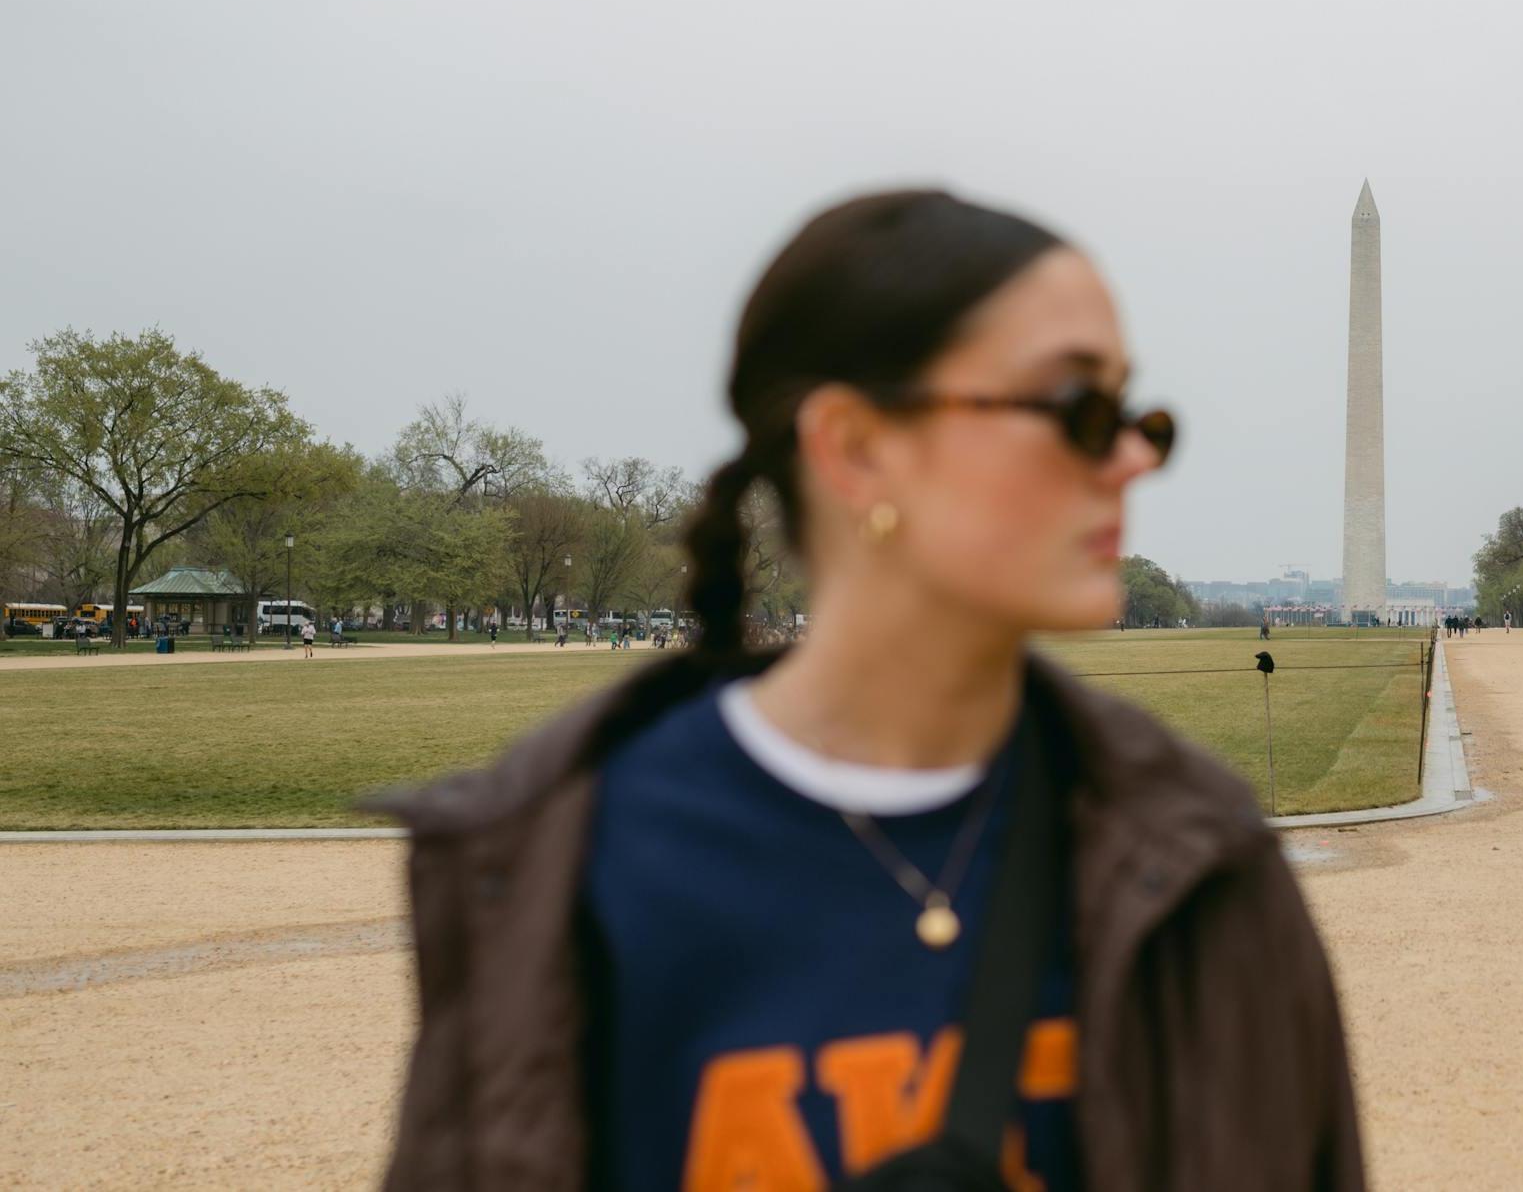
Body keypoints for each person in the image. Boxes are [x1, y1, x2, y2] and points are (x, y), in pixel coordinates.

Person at [374, 190, 1364, 1190]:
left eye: (1139, 413)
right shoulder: (560, 865)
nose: (1134, 457)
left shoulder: (1202, 858)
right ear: (853, 447)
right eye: (1078, 409)